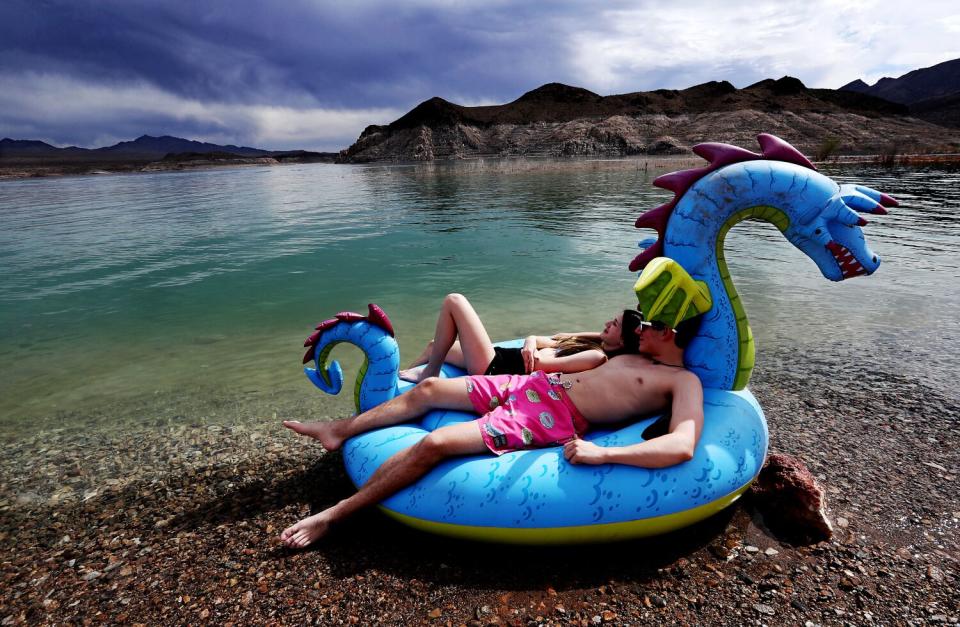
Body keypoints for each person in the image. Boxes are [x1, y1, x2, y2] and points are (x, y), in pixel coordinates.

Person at [280, 313, 705, 549]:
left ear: (668, 333)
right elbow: (596, 335)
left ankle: (334, 515)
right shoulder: (636, 353)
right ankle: (338, 429)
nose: (639, 327)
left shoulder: (681, 381)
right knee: (428, 387)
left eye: (649, 324)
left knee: (438, 442)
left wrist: (604, 454)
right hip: (533, 385)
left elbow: (683, 444)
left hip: (549, 418)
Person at [399, 293, 637, 383]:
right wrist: (531, 341)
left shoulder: (595, 357)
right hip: (501, 358)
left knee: (455, 301)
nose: (607, 323)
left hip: (496, 368)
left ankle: (430, 373)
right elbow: (556, 338)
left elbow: (539, 365)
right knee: (433, 346)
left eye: (614, 324)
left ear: (624, 342)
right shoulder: (592, 345)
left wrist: (533, 347)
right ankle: (397, 388)